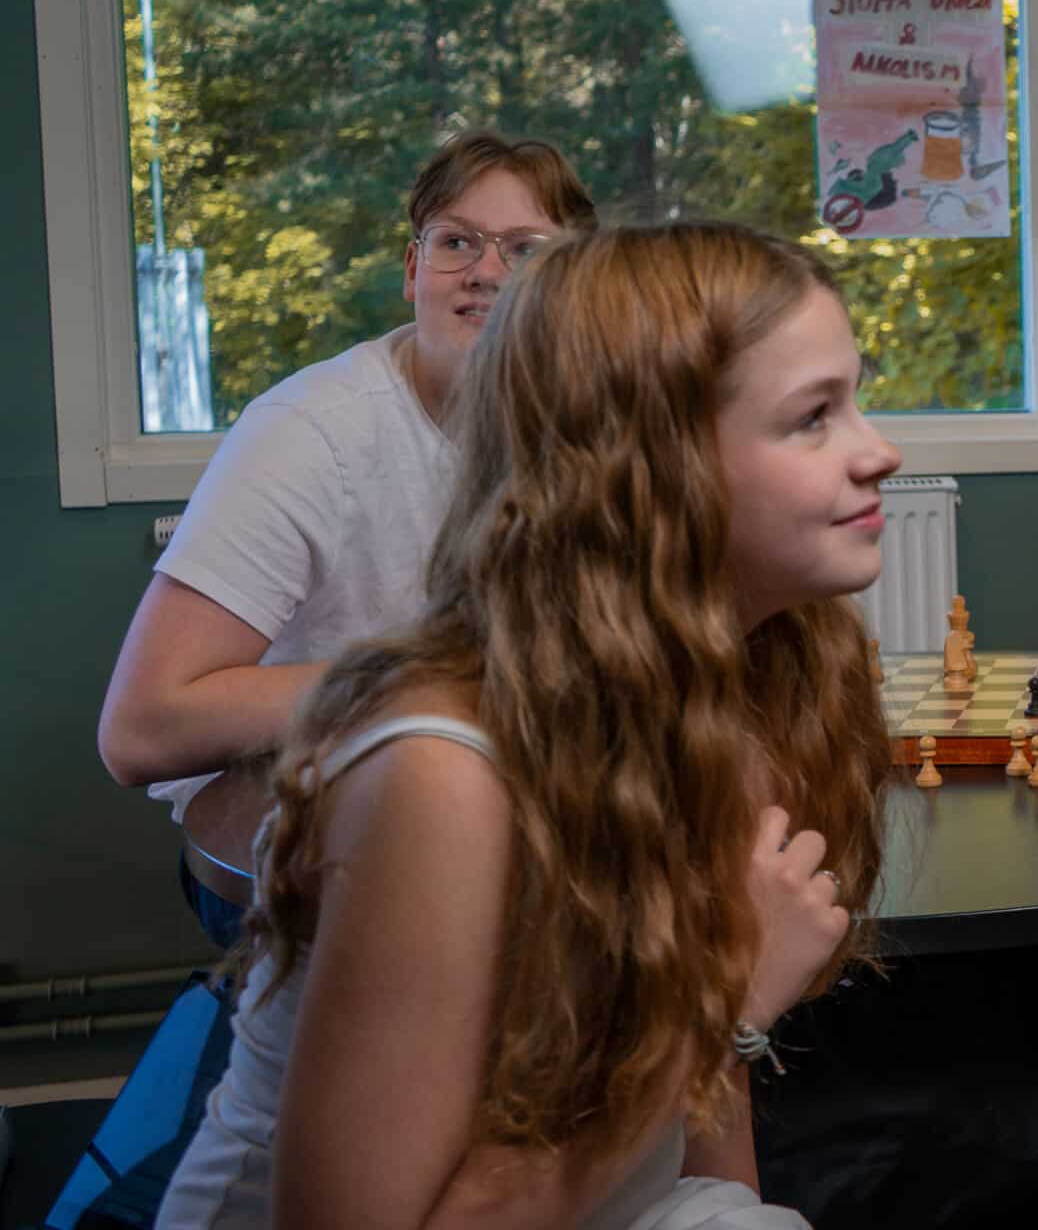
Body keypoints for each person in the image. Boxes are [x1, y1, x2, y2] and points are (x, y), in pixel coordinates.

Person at [154, 222, 904, 1228]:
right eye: (813, 417)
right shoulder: (440, 774)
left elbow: (706, 1140)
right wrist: (724, 1005)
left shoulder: (732, 695)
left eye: (854, 400)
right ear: (652, 465)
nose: (880, 452)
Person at [98, 131, 597, 948]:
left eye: (526, 249)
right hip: (294, 820)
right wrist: (436, 682)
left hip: (497, 792)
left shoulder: (600, 428)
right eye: (457, 242)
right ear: (412, 270)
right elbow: (139, 730)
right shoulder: (308, 432)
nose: (486, 270)